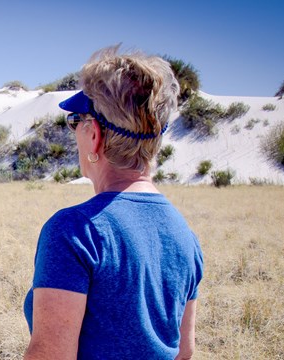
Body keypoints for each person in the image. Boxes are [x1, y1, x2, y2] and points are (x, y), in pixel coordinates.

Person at [23, 45, 204, 359]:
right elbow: (184, 353)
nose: (74, 132)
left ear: (94, 134)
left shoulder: (75, 232)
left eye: (75, 121)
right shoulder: (185, 236)